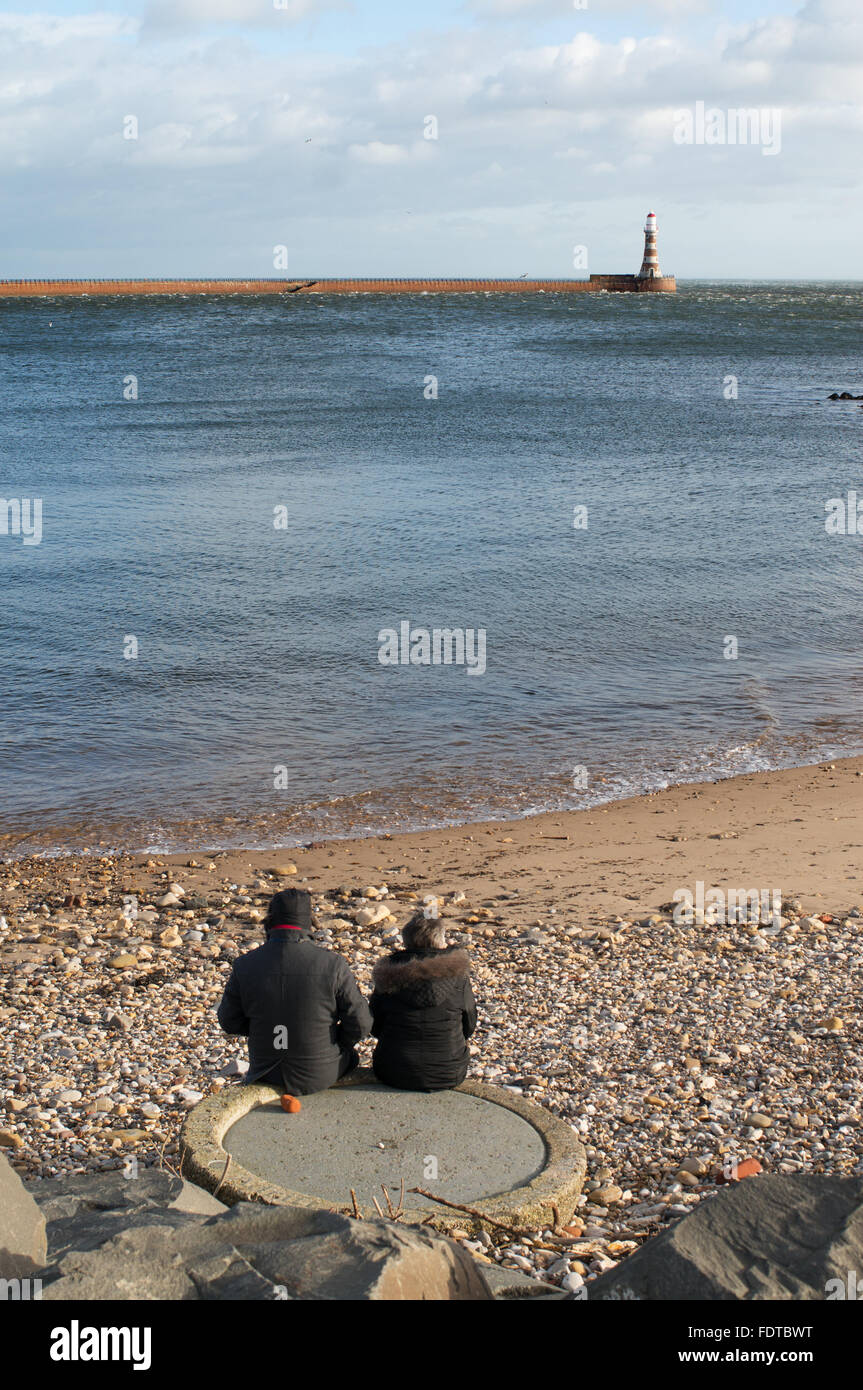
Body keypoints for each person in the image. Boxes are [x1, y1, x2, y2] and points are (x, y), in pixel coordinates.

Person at [217, 887, 371, 1095]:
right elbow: (361, 1022)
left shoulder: (245, 965)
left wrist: (261, 1027)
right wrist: (334, 1040)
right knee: (351, 1057)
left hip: (265, 1071)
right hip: (320, 1072)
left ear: (270, 921)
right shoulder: (332, 964)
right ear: (308, 922)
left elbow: (229, 1021)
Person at [369, 909, 477, 1091]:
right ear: (440, 941)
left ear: (406, 941)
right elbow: (469, 1024)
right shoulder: (458, 976)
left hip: (392, 1070)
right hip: (449, 1072)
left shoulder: (387, 974)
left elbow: (375, 1025)